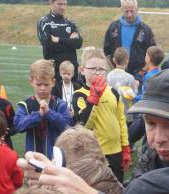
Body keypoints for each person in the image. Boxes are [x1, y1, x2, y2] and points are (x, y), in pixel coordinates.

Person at [74, 48, 130, 183]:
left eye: (102, 69)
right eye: (93, 69)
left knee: (116, 189)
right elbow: (84, 124)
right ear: (82, 70)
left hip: (115, 151)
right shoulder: (79, 95)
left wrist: (125, 147)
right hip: (94, 153)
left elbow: (121, 121)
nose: (98, 72)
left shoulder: (113, 92)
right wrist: (94, 98)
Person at [15, 59, 73, 159]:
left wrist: (49, 113)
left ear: (53, 82)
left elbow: (67, 127)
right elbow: (18, 126)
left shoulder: (60, 104)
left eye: (46, 84)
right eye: (38, 84)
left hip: (55, 158)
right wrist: (38, 115)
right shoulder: (25, 105)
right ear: (31, 81)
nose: (42, 88)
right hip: (33, 157)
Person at [102, 0, 155, 77]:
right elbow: (107, 52)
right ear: (121, 10)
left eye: (132, 11)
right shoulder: (113, 27)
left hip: (138, 76)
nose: (129, 14)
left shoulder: (146, 30)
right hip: (117, 74)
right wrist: (113, 69)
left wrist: (142, 72)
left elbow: (153, 54)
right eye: (126, 11)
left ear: (137, 9)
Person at [38, 0, 83, 83]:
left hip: (71, 70)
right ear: (51, 3)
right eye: (59, 4)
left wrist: (59, 40)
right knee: (55, 95)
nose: (62, 7)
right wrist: (69, 42)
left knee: (73, 95)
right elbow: (49, 45)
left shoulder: (70, 23)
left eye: (64, 4)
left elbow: (78, 43)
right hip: (54, 70)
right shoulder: (44, 22)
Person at [107, 47, 139, 115]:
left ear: (114, 60)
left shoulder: (109, 75)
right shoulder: (130, 78)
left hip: (112, 111)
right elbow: (133, 96)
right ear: (127, 61)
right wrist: (136, 86)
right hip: (125, 112)